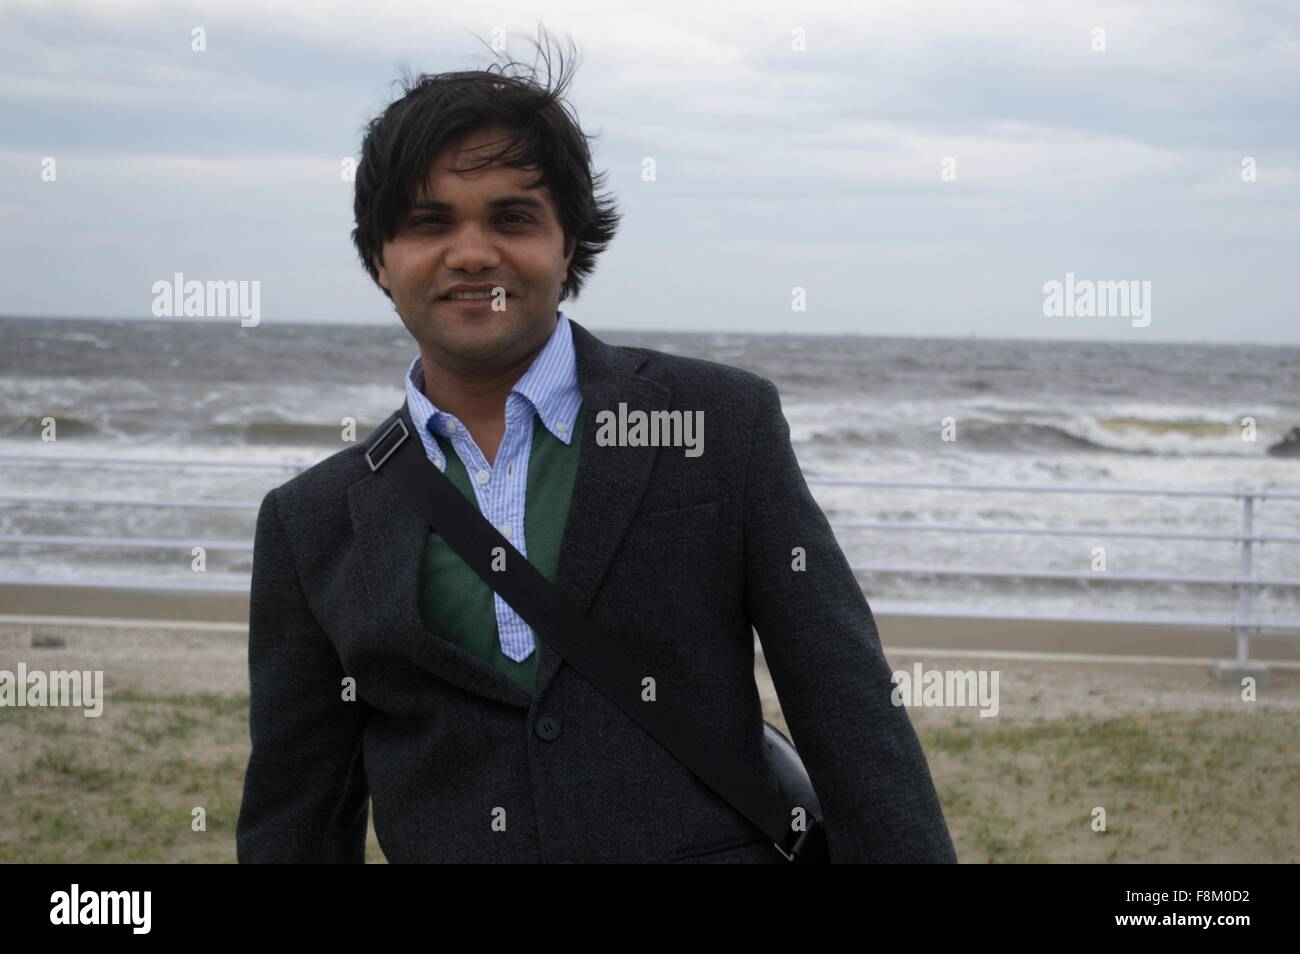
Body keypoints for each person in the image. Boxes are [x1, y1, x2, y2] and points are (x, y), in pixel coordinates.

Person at [235, 30, 956, 863]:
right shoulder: (310, 521)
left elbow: (850, 712)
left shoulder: (718, 426)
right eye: (429, 223)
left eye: (512, 217)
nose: (473, 253)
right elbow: (296, 816)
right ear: (379, 259)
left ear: (567, 243)